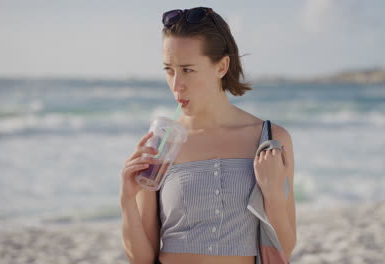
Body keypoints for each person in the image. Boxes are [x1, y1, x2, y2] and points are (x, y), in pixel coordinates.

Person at [120, 7, 296, 264]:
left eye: (188, 70)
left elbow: (284, 249)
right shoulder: (161, 142)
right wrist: (126, 198)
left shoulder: (270, 139)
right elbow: (141, 259)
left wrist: (272, 193)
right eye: (169, 70)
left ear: (222, 66)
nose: (176, 84)